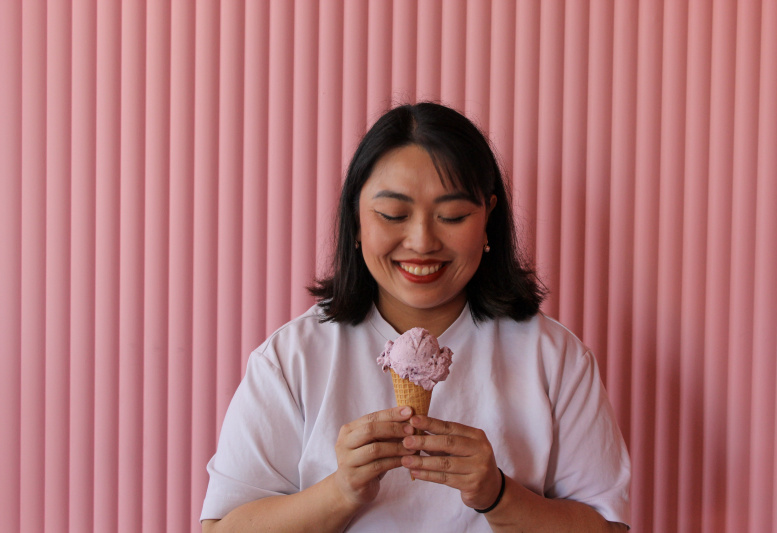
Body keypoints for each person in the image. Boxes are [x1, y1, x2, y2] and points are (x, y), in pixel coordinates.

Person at [200, 102, 631, 532]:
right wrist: (340, 492)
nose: (422, 242)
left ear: (488, 218)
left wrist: (498, 495)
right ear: (356, 219)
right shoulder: (291, 358)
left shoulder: (554, 357)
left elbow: (608, 526)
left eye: (453, 216)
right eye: (393, 215)